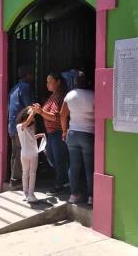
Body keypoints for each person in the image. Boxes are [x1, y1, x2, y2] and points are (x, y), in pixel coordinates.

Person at [60, 71, 94, 205]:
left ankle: (74, 195)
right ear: (88, 81)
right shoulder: (94, 95)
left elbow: (62, 115)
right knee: (89, 167)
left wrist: (64, 131)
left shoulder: (70, 95)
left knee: (74, 166)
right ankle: (91, 197)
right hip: (88, 134)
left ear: (75, 82)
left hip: (73, 133)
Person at [33, 72, 69, 195]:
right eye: (47, 81)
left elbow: (55, 117)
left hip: (57, 132)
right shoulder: (53, 95)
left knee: (58, 159)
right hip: (52, 133)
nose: (47, 84)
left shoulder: (59, 96)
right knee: (53, 157)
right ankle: (63, 180)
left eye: (50, 81)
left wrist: (40, 112)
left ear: (58, 82)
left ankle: (60, 184)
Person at [8, 65, 35, 187]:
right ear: (28, 75)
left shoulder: (14, 88)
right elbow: (29, 108)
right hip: (22, 126)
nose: (33, 77)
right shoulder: (26, 88)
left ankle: (14, 177)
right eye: (31, 74)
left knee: (15, 152)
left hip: (12, 126)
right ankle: (17, 180)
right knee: (21, 152)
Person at [16, 106, 45, 203]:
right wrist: (34, 112)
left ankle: (29, 194)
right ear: (27, 115)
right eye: (31, 115)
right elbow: (27, 122)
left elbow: (30, 138)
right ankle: (28, 194)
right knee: (28, 173)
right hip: (28, 153)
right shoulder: (20, 126)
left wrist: (38, 136)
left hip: (31, 153)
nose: (33, 118)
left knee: (29, 173)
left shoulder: (29, 126)